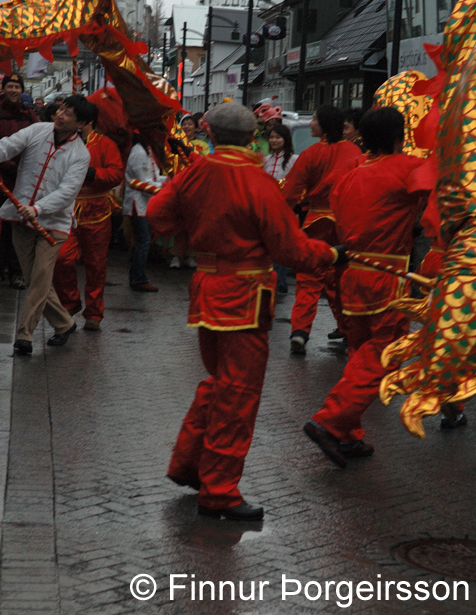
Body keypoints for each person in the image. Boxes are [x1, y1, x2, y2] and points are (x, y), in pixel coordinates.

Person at [147, 102, 340, 521]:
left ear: (210, 134)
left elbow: (156, 215)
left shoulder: (193, 171)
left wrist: (196, 234)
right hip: (245, 295)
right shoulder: (258, 181)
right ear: (252, 136)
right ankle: (219, 490)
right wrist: (329, 253)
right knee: (238, 395)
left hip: (206, 287)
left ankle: (189, 463)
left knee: (220, 383)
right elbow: (289, 248)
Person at [303, 107, 430, 467]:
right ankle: (330, 422)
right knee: (382, 356)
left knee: (360, 355)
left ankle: (348, 435)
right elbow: (442, 184)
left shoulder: (350, 175)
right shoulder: (404, 168)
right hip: (386, 278)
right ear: (397, 138)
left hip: (353, 276)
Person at [0, 94, 91, 355]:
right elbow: (6, 146)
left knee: (39, 279)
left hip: (53, 224)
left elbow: (67, 192)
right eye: (61, 109)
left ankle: (25, 335)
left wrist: (38, 209)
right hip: (21, 217)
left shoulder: (81, 154)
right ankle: (65, 323)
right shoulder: (36, 130)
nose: (60, 114)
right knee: (36, 280)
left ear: (81, 123)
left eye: (68, 113)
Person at [284, 104, 361, 354]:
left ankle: (300, 331)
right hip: (344, 222)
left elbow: (291, 192)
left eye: (315, 118)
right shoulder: (353, 152)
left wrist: (284, 218)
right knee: (342, 280)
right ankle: (349, 330)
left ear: (324, 124)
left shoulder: (311, 154)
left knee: (308, 278)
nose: (312, 123)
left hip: (315, 221)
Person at [53, 103, 123, 330]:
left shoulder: (105, 144)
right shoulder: (62, 143)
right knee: (61, 257)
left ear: (86, 121)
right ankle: (70, 303)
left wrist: (93, 173)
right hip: (66, 209)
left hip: (97, 211)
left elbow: (116, 174)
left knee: (96, 264)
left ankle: (94, 312)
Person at [0, 72, 40, 289]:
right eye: (10, 86)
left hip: (22, 178)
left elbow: (40, 138)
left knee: (18, 226)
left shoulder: (29, 114)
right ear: (4, 89)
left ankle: (17, 271)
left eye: (17, 87)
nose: (13, 90)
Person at [123, 131, 165, 291]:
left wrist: (169, 180)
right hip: (138, 203)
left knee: (144, 241)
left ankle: (137, 275)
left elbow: (154, 177)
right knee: (143, 241)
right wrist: (166, 187)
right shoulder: (139, 152)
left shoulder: (147, 150)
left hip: (144, 203)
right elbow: (143, 183)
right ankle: (137, 278)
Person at [263, 122, 299, 294]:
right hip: (266, 211)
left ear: (285, 139)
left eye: (277, 137)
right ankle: (272, 283)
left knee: (281, 248)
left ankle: (280, 284)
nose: (274, 140)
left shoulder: (294, 160)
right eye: (271, 137)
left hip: (285, 210)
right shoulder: (266, 160)